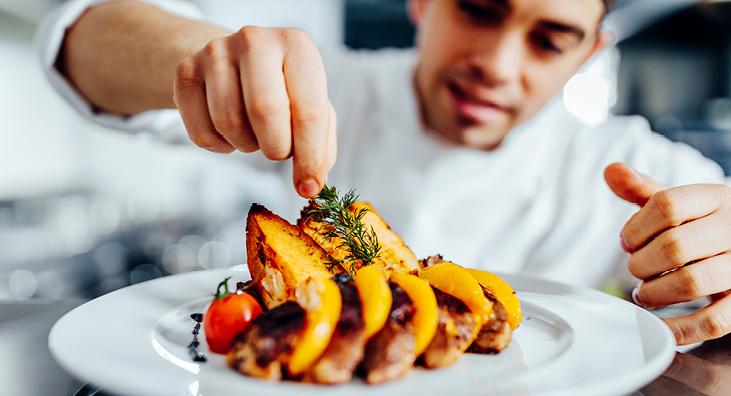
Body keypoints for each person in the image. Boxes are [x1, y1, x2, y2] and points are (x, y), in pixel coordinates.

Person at [36, 0, 731, 345]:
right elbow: (76, 42)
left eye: (549, 39)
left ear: (589, 54)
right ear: (423, 2)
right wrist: (200, 56)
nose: (496, 62)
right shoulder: (329, 86)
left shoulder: (638, 166)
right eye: (478, 9)